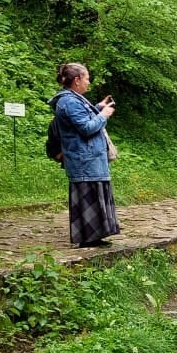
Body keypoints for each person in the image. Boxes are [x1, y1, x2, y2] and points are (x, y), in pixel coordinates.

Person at [49, 62, 119, 248]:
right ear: (77, 80)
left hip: (90, 159)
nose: (89, 82)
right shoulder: (69, 101)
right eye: (87, 78)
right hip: (84, 160)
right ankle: (88, 239)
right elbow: (86, 128)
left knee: (95, 196)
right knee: (88, 197)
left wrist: (97, 107)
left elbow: (82, 118)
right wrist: (104, 114)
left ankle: (95, 237)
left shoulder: (74, 99)